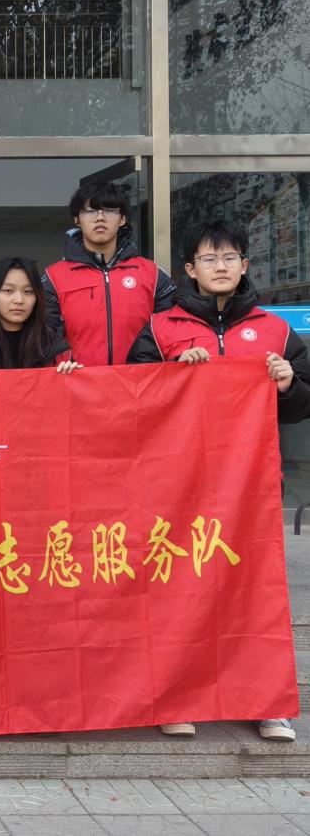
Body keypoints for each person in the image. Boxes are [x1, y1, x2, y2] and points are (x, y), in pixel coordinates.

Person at [128, 219, 310, 743]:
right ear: (190, 269)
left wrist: (288, 383)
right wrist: (172, 375)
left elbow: (302, 405)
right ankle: (178, 697)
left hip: (251, 486)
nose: (221, 267)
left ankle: (266, 702)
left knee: (255, 591)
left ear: (245, 264)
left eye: (230, 257)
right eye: (209, 259)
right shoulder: (162, 328)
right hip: (178, 485)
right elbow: (134, 398)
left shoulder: (275, 331)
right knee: (178, 589)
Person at [42, 180, 174, 367]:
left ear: (123, 219)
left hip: (139, 381)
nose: (100, 217)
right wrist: (62, 364)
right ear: (77, 219)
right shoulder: (53, 278)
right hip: (77, 381)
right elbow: (44, 336)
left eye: (110, 210)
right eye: (90, 211)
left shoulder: (152, 274)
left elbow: (173, 331)